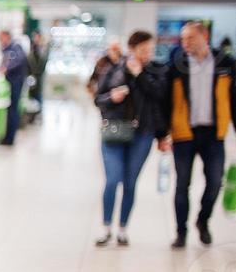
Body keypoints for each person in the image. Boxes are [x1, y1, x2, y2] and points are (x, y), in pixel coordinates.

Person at [93, 31, 167, 247]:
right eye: (143, 50)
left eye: (150, 50)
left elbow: (160, 98)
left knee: (130, 183)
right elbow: (99, 99)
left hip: (142, 134)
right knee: (112, 179)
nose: (147, 54)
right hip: (114, 132)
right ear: (132, 48)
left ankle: (123, 229)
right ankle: (106, 227)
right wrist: (111, 97)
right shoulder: (113, 69)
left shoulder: (156, 70)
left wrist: (139, 75)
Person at [167, 21, 235, 248]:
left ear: (204, 37)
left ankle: (202, 221)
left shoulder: (226, 63)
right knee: (182, 184)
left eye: (190, 38)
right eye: (183, 39)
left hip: (213, 134)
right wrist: (162, 132)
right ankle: (181, 232)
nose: (185, 43)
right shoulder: (176, 64)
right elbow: (165, 98)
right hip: (184, 133)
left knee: (215, 182)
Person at [0, 30, 29, 145]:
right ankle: (7, 137)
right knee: (11, 109)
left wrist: (6, 68)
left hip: (16, 82)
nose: (0, 41)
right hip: (11, 82)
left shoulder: (16, 47)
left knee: (13, 110)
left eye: (1, 38)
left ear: (6, 36)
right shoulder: (7, 49)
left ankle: (10, 138)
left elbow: (17, 61)